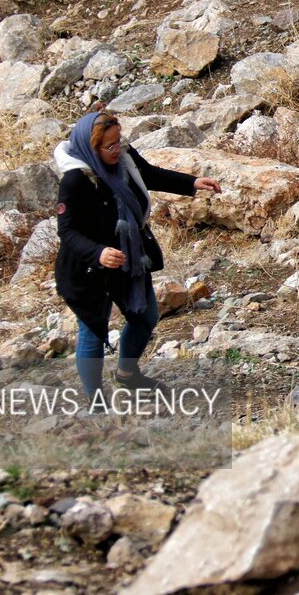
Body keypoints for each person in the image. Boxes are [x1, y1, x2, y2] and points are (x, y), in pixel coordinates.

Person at [53, 111, 220, 400]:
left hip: (129, 257)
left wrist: (191, 183)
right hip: (88, 269)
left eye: (119, 141)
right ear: (91, 148)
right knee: (93, 331)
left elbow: (150, 174)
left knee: (145, 318)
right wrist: (98, 252)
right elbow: (67, 233)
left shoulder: (124, 157)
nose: (118, 149)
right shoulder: (75, 180)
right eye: (110, 146)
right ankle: (95, 401)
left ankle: (127, 375)